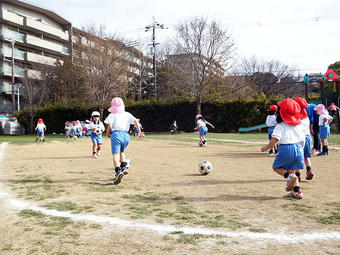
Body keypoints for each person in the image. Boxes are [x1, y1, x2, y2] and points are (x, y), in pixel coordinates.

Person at [261, 99, 305, 199]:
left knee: (276, 167)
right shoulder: (298, 125)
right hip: (298, 148)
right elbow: (303, 140)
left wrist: (267, 147)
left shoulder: (280, 126)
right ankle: (297, 192)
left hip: (286, 148)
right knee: (292, 171)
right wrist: (300, 149)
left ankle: (288, 177)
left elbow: (275, 138)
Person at [104, 97, 143, 185]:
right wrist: (139, 132)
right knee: (122, 152)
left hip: (116, 134)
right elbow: (136, 121)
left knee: (115, 154)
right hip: (126, 135)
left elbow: (109, 126)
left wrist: (107, 134)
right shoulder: (127, 114)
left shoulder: (112, 115)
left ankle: (118, 171)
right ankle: (124, 167)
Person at [294, 97, 314, 181]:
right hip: (307, 137)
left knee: (297, 157)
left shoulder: (296, 116)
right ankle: (309, 169)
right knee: (307, 156)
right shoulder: (306, 116)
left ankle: (297, 175)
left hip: (299, 139)